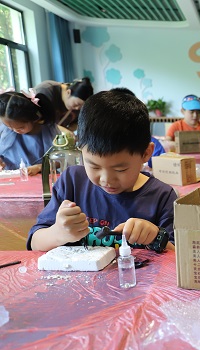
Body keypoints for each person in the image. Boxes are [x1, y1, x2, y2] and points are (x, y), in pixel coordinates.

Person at [27, 89, 177, 252]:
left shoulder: (162, 197)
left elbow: (179, 256)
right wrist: (58, 233)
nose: (106, 179)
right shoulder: (72, 182)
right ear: (80, 149)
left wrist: (155, 237)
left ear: (146, 153)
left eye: (120, 169)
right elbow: (35, 243)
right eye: (94, 166)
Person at [0, 89, 59, 175]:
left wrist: (39, 167)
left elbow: (60, 160)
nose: (15, 131)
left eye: (21, 127)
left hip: (41, 176)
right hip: (12, 176)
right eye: (9, 127)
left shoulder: (49, 132)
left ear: (35, 119)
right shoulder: (5, 130)